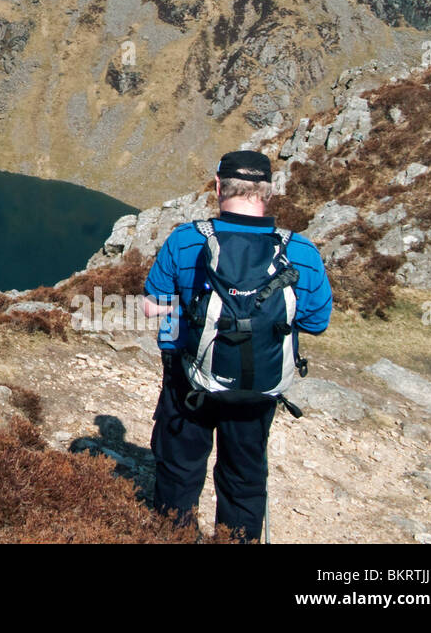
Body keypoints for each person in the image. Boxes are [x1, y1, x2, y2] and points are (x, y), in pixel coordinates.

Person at [142, 150, 332, 541]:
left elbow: (150, 306)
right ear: (269, 190)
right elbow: (317, 322)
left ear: (217, 187)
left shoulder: (187, 240)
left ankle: (173, 536)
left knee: (179, 469)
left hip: (190, 378)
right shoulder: (302, 252)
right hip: (258, 385)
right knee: (244, 477)